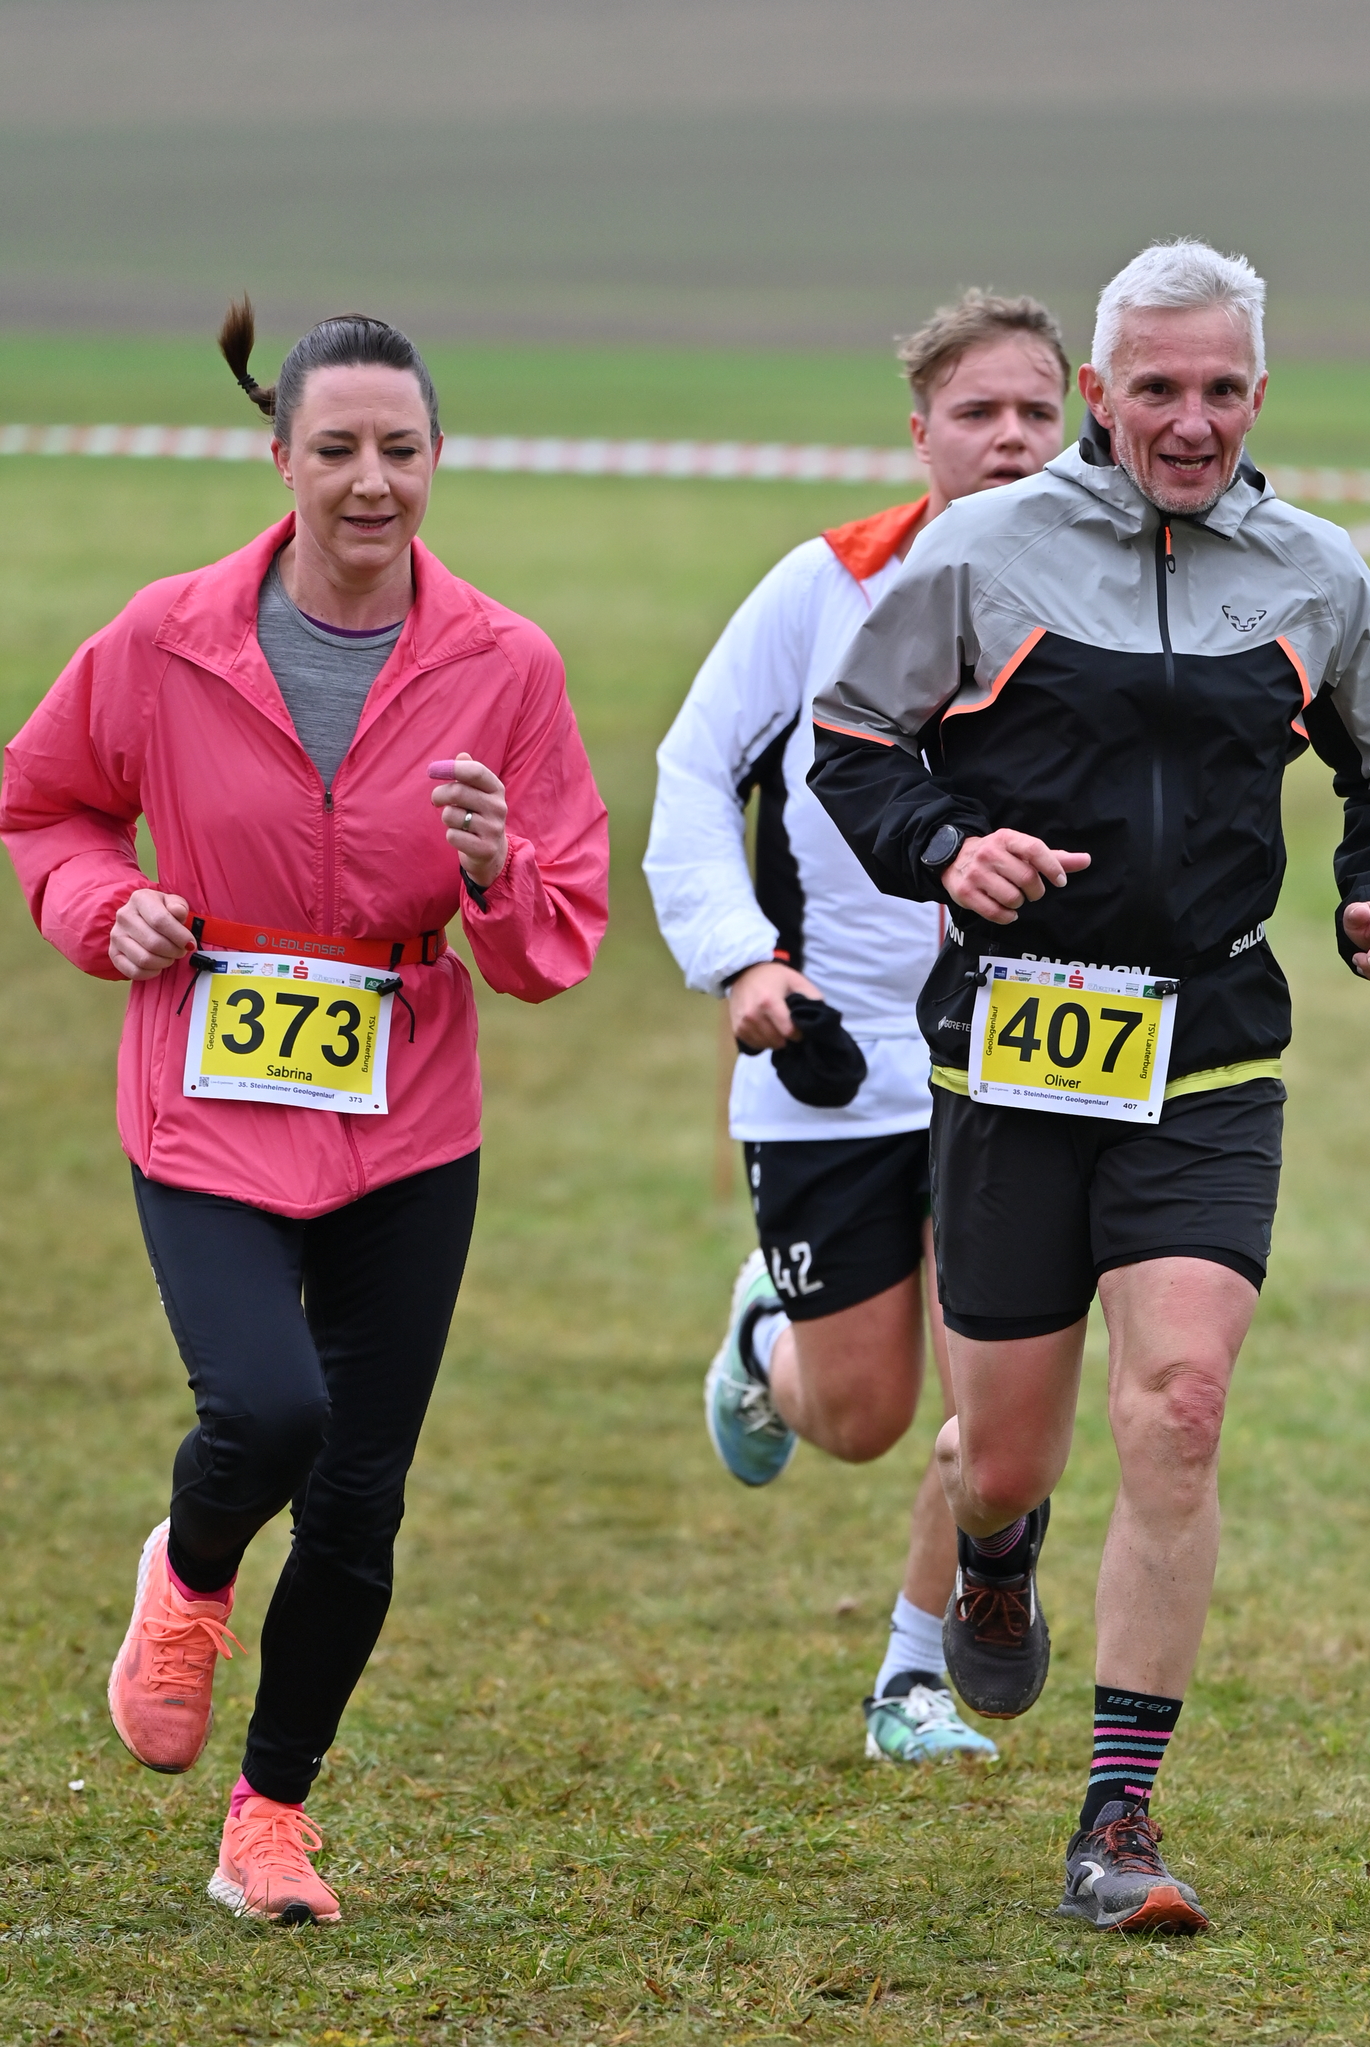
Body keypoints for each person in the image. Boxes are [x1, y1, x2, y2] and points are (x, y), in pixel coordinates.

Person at [810, 239, 1370, 1933]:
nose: (1190, 420)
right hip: (1016, 1051)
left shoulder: (1314, 573)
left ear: (1261, 394)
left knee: (1179, 1406)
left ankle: (1119, 1818)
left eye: (1221, 389)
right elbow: (853, 744)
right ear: (1100, 394)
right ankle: (993, 1553)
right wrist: (947, 850)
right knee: (1003, 1455)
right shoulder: (985, 550)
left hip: (1210, 1049)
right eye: (1156, 388)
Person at [1, 302, 608, 1926]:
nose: (369, 480)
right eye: (335, 447)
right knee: (270, 1412)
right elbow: (46, 803)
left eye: (399, 448)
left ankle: (268, 1818)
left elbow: (557, 937)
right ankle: (190, 1570)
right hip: (205, 1092)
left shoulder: (509, 664)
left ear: (438, 457)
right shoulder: (167, 637)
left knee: (357, 1494)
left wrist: (493, 868)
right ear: (279, 457)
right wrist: (106, 907)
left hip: (408, 1121)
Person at [644, 290, 1070, 1768]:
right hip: (828, 1046)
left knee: (997, 1406)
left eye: (1037, 411)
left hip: (1017, 1050)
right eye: (978, 412)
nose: (1011, 438)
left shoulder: (1109, 589)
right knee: (862, 1414)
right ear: (921, 433)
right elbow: (693, 774)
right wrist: (740, 963)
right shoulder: (823, 587)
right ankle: (764, 1337)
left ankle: (912, 1676)